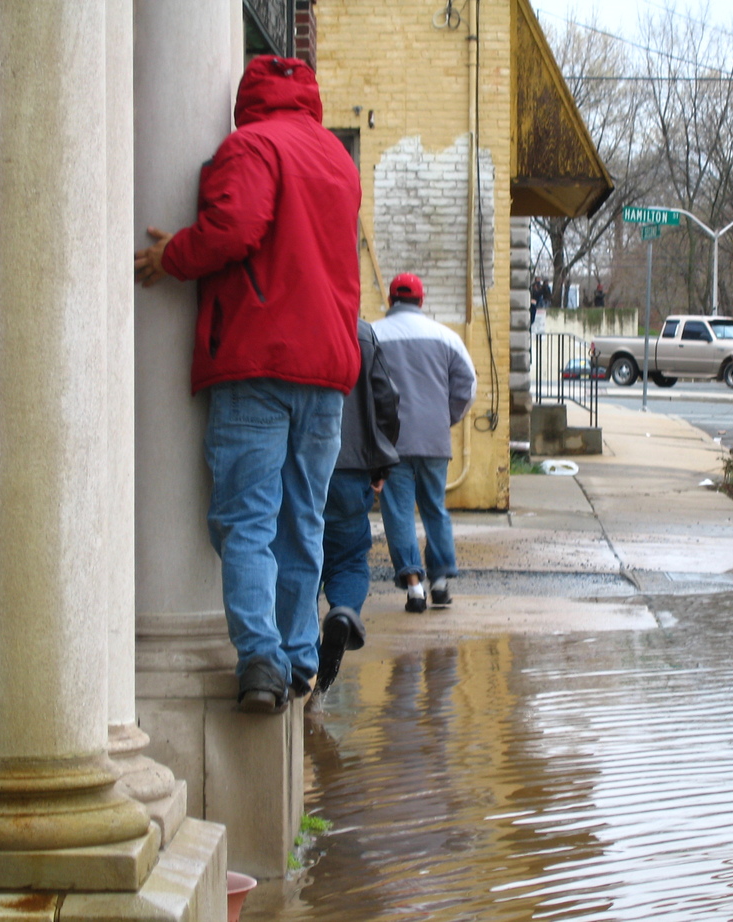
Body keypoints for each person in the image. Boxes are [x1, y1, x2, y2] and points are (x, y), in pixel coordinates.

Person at [134, 56, 362, 714]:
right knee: (302, 518)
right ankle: (295, 659)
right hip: (326, 367)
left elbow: (234, 230)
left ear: (248, 100)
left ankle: (259, 657)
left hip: (257, 358)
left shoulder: (252, 145)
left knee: (248, 520)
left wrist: (171, 254)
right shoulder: (336, 160)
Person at [372, 274, 477, 613]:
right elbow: (467, 385)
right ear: (421, 300)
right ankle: (441, 581)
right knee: (435, 508)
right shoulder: (447, 337)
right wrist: (445, 418)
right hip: (434, 440)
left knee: (399, 511)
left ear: (390, 300)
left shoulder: (373, 335)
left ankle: (414, 587)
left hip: (391, 442)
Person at [315, 319, 402, 695]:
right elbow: (386, 402)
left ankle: (298, 660)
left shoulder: (292, 311)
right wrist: (380, 463)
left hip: (301, 465)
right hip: (350, 469)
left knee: (298, 558)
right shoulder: (360, 331)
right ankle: (344, 611)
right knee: (348, 559)